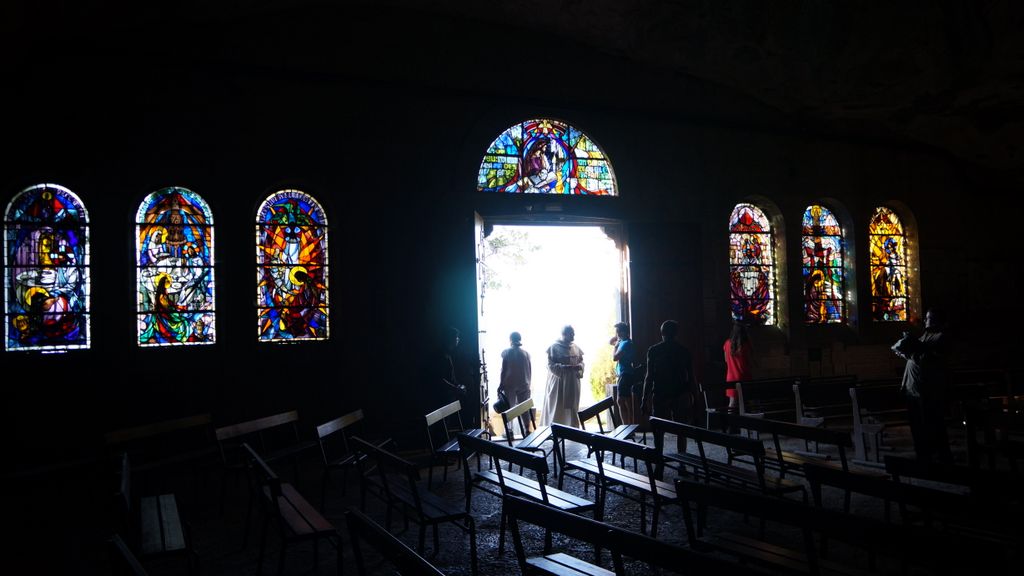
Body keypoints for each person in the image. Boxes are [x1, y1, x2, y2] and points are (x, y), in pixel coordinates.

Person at [891, 307, 952, 463]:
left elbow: (927, 360)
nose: (925, 320)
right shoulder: (926, 335)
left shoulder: (941, 337)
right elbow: (918, 355)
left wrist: (910, 351)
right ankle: (923, 454)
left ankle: (937, 456)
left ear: (938, 320)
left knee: (930, 424)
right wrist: (905, 352)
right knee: (917, 426)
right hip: (913, 389)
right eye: (925, 318)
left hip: (927, 390)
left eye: (929, 318)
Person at [640, 320, 694, 445]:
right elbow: (691, 377)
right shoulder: (684, 351)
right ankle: (682, 459)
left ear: (662, 332)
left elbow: (649, 376)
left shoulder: (653, 351)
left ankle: (659, 459)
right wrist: (695, 398)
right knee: (681, 429)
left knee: (658, 429)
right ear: (676, 333)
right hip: (680, 394)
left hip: (660, 394)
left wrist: (644, 399)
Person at [542, 325, 584, 427]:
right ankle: (555, 429)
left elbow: (582, 361)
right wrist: (565, 368)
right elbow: (550, 365)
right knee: (557, 406)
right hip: (559, 382)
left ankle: (572, 428)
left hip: (573, 382)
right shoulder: (554, 347)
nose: (574, 335)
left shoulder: (576, 347)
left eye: (574, 333)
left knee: (572, 407)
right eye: (571, 333)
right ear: (564, 334)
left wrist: (580, 366)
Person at [499, 331, 533, 416]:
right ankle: (526, 428)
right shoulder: (526, 353)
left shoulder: (507, 352)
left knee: (509, 409)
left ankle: (509, 428)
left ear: (510, 340)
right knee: (524, 409)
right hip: (524, 383)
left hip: (509, 384)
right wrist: (529, 384)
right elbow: (529, 370)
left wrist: (501, 384)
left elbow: (503, 370)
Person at [609, 322, 638, 425]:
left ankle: (627, 427)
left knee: (621, 401)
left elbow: (615, 358)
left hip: (625, 374)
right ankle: (630, 426)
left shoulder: (625, 344)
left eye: (617, 331)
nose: (616, 334)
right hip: (626, 374)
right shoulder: (624, 341)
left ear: (622, 332)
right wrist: (617, 339)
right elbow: (610, 341)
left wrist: (615, 347)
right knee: (627, 402)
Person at [723, 321, 753, 410]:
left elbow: (725, 360)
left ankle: (730, 422)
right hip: (744, 376)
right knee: (747, 404)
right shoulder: (745, 345)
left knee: (732, 403)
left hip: (731, 377)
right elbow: (750, 361)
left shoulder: (727, 344)